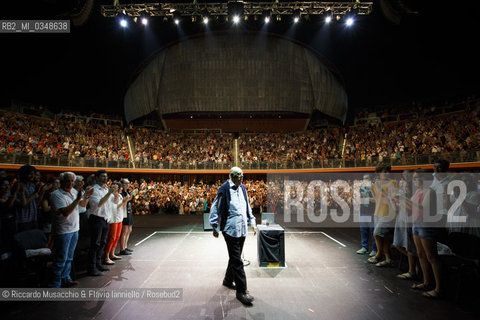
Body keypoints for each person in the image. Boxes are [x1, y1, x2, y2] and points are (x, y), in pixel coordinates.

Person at [209, 167, 257, 306]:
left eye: (242, 177)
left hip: (242, 229)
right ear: (231, 176)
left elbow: (247, 206)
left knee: (234, 257)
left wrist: (252, 221)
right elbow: (215, 207)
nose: (241, 179)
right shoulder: (224, 189)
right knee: (237, 260)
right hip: (230, 230)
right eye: (238, 177)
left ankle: (228, 280)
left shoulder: (242, 188)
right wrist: (214, 226)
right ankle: (242, 291)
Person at [49, 172, 93, 288]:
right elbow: (65, 212)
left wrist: (87, 196)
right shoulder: (56, 195)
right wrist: (78, 199)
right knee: (60, 259)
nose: (70, 183)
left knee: (69, 257)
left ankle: (66, 278)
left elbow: (82, 207)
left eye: (72, 181)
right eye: (68, 181)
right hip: (63, 231)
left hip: (74, 229)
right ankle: (55, 284)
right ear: (62, 181)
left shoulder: (74, 192)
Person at [87, 170, 116, 276]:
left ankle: (98, 264)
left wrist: (115, 194)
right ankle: (92, 267)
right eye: (103, 176)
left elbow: (113, 201)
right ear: (97, 178)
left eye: (106, 176)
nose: (105, 178)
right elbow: (98, 204)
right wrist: (109, 193)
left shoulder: (105, 189)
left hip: (105, 219)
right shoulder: (94, 190)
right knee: (95, 244)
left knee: (102, 243)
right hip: (96, 219)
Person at [356, 174, 377, 257]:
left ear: (371, 180)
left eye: (367, 179)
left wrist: (366, 199)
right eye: (364, 178)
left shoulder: (375, 188)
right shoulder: (361, 188)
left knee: (373, 231)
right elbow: (361, 200)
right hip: (363, 211)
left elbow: (376, 200)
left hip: (372, 211)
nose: (365, 180)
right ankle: (364, 247)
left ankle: (375, 249)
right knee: (363, 230)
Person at [119, 179, 135, 255]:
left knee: (129, 229)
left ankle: (125, 246)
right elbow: (122, 203)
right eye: (126, 183)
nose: (128, 185)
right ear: (122, 184)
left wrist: (131, 198)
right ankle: (122, 249)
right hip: (124, 213)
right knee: (124, 231)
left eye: (128, 183)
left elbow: (129, 201)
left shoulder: (127, 192)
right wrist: (127, 199)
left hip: (129, 211)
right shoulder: (121, 193)